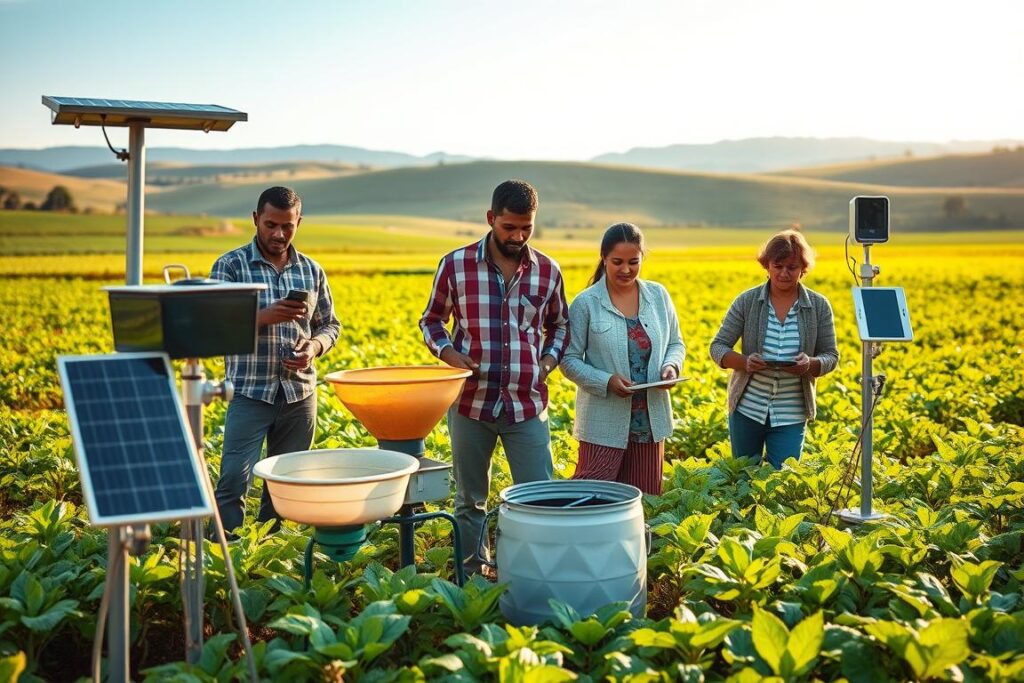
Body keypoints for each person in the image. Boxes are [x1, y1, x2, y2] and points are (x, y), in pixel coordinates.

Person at [419, 179, 570, 575]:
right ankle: (472, 579)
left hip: (527, 404)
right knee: (470, 501)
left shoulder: (548, 271)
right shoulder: (455, 265)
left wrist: (548, 362)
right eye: (509, 228)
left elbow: (559, 326)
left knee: (537, 497)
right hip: (471, 403)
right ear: (490, 219)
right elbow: (432, 320)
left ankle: (530, 574)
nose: (518, 236)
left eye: (527, 228)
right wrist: (448, 352)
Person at [211, 186, 340, 534]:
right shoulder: (230, 266)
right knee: (233, 481)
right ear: (255, 220)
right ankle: (228, 557)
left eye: (288, 226)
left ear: (299, 222)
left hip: (299, 396)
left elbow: (330, 325)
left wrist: (313, 348)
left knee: (285, 486)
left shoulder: (312, 271)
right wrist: (264, 316)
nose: (279, 234)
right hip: (250, 392)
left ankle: (269, 555)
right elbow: (210, 324)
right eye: (270, 224)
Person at [560, 223, 685, 495]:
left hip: (649, 423)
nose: (626, 269)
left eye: (633, 262)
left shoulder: (658, 296)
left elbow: (675, 343)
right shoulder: (586, 303)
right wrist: (606, 381)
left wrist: (671, 367)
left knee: (644, 501)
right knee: (592, 496)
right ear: (603, 258)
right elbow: (568, 360)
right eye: (617, 262)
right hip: (602, 421)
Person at [709, 229, 838, 468]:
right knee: (744, 478)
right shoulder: (747, 302)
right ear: (767, 266)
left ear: (803, 269)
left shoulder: (819, 306)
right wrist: (745, 362)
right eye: (778, 266)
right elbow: (718, 347)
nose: (784, 273)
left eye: (792, 267)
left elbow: (831, 356)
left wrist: (810, 364)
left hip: (792, 412)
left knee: (784, 476)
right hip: (747, 408)